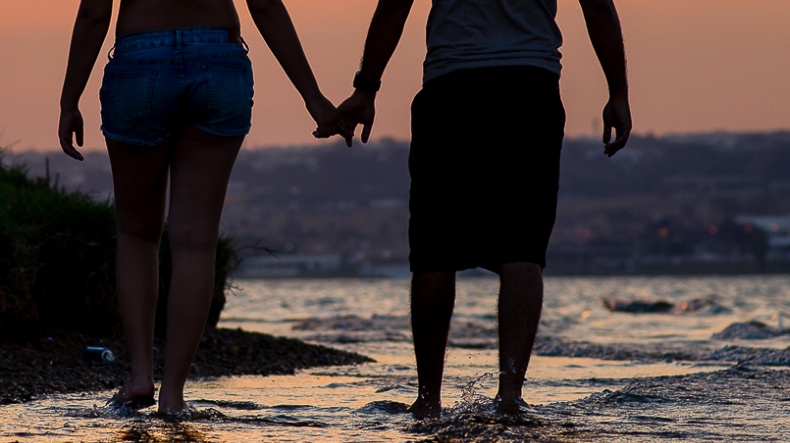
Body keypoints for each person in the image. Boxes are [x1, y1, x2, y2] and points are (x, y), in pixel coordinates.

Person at [325, 0, 631, 419]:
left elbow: (395, 4)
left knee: (434, 250)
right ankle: (509, 397)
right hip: (528, 90)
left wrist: (367, 87)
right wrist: (617, 92)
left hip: (452, 89)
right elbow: (597, 7)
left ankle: (428, 401)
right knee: (523, 249)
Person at [59, 0, 341, 416]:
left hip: (140, 60)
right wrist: (312, 96)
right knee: (195, 243)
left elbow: (95, 14)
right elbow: (264, 5)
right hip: (218, 60)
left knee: (137, 235)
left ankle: (139, 376)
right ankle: (173, 394)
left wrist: (69, 100)